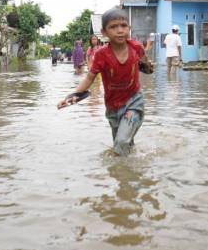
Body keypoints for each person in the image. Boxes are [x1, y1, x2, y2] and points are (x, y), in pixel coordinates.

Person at [57, 8, 152, 156]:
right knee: (121, 146)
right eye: (113, 27)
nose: (120, 30)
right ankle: (127, 173)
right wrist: (72, 96)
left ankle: (124, 175)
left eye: (123, 26)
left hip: (134, 101)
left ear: (129, 28)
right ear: (104, 32)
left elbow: (146, 66)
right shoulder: (101, 55)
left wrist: (147, 64)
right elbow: (89, 78)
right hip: (113, 107)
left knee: (121, 142)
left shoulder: (136, 48)